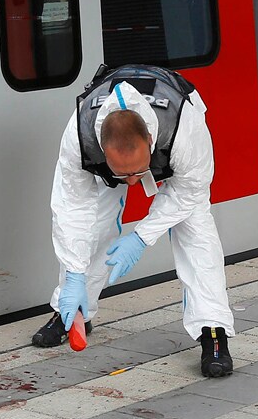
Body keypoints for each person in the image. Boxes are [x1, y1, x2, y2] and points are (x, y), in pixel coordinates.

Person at [31, 65, 234, 378]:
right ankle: (72, 312)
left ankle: (213, 332)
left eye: (139, 172)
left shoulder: (183, 125)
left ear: (151, 140)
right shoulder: (80, 135)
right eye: (122, 174)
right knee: (93, 225)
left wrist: (141, 237)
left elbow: (190, 192)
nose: (132, 183)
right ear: (101, 147)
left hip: (179, 149)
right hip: (111, 158)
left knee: (195, 230)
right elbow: (70, 208)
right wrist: (73, 273)